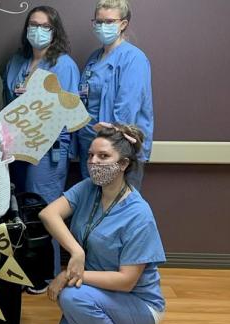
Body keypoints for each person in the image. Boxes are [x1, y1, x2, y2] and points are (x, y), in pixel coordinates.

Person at [40, 124, 166, 324]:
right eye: (90, 155)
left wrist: (70, 274)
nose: (93, 162)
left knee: (71, 296)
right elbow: (49, 214)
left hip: (136, 303)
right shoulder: (88, 189)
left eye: (104, 156)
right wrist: (77, 251)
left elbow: (126, 281)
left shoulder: (138, 214)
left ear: (123, 164)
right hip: (93, 294)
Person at [4, 5, 80, 294]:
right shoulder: (16, 62)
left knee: (45, 211)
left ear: (55, 30)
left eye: (45, 26)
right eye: (33, 25)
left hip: (48, 152)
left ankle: (46, 275)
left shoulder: (64, 65)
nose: (37, 30)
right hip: (16, 150)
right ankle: (23, 268)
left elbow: (67, 111)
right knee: (20, 211)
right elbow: (6, 103)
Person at [77, 0, 153, 190]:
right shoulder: (94, 59)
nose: (103, 27)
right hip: (92, 148)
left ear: (123, 24)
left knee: (117, 210)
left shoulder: (133, 59)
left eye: (109, 22)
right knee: (93, 208)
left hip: (118, 151)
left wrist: (110, 145)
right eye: (99, 22)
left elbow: (127, 110)